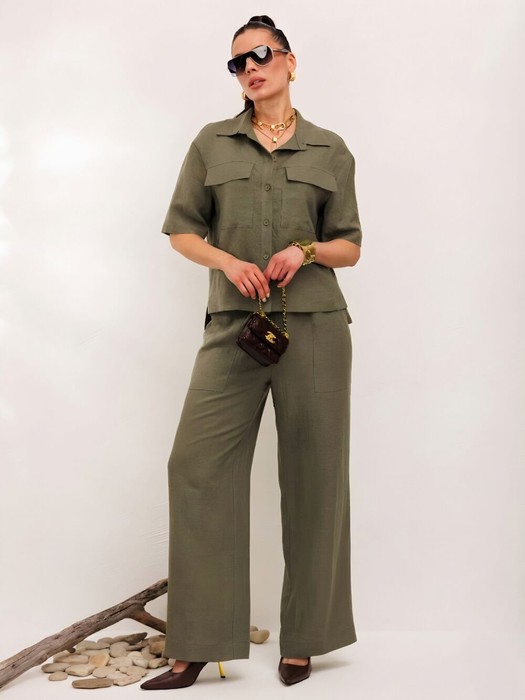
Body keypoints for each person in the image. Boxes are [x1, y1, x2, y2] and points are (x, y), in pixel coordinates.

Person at [140, 15, 363, 691]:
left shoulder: (329, 148)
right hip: (234, 328)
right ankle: (198, 641)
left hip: (315, 329)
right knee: (195, 467)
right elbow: (182, 230)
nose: (250, 68)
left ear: (290, 62)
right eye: (237, 62)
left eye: (261, 55)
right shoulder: (211, 143)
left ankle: (307, 638)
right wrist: (227, 261)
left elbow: (349, 245)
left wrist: (305, 250)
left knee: (316, 478)